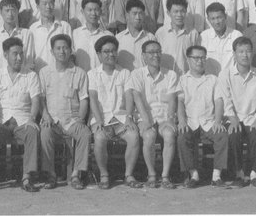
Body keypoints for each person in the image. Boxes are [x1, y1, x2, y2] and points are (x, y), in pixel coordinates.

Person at [0, 37, 41, 193]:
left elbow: (36, 101)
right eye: (15, 54)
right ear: (6, 55)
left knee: (33, 131)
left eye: (21, 54)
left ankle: (26, 178)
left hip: (23, 120)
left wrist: (32, 119)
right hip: (3, 120)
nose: (19, 58)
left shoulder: (31, 75)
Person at [38, 34, 92, 189]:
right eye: (58, 48)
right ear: (52, 51)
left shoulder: (79, 73)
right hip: (52, 119)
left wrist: (80, 118)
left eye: (65, 48)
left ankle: (76, 174)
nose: (62, 51)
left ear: (70, 50)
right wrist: (45, 115)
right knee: (45, 133)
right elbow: (41, 98)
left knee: (85, 134)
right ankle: (51, 175)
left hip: (72, 120)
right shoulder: (44, 72)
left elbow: (84, 99)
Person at [88, 36, 142, 189]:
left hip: (121, 118)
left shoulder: (124, 72)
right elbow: (93, 98)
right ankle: (104, 175)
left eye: (113, 51)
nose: (111, 54)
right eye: (106, 51)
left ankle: (128, 175)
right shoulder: (92, 74)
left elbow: (129, 96)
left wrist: (129, 117)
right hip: (102, 119)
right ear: (99, 54)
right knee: (99, 138)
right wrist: (99, 120)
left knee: (133, 136)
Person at [176, 45, 230, 188]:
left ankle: (216, 176)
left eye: (202, 58)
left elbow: (219, 101)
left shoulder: (213, 79)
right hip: (190, 122)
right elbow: (180, 102)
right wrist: (182, 121)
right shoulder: (182, 80)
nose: (199, 61)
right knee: (182, 137)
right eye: (196, 58)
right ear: (188, 60)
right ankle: (193, 175)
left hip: (209, 122)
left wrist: (218, 121)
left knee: (222, 135)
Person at [128, 40, 179, 189]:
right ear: (143, 56)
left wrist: (170, 119)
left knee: (169, 134)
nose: (155, 55)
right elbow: (137, 97)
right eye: (151, 52)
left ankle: (165, 176)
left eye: (158, 52)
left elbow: (172, 99)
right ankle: (151, 174)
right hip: (145, 116)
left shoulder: (171, 74)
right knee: (149, 136)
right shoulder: (137, 74)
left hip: (164, 116)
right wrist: (146, 120)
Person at [221, 37, 256, 187]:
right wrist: (233, 120)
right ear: (234, 54)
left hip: (253, 117)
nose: (245, 55)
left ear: (252, 53)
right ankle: (238, 173)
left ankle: (254, 173)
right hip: (233, 117)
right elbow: (226, 100)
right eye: (241, 52)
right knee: (233, 135)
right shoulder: (225, 74)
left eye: (248, 51)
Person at [155, 0, 200, 74]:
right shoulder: (160, 33)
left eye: (182, 11)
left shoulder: (193, 33)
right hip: (165, 77)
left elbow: (197, 57)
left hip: (185, 77)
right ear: (168, 13)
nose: (179, 15)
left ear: (186, 12)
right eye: (175, 11)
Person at [30, 0, 73, 71]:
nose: (48, 7)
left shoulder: (64, 26)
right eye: (45, 4)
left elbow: (71, 51)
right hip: (39, 72)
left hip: (62, 72)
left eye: (51, 3)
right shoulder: (33, 28)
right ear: (37, 7)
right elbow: (31, 54)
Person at [72, 0, 113, 71]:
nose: (93, 13)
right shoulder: (75, 34)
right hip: (81, 76)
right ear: (82, 11)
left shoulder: (108, 35)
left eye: (96, 10)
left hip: (101, 76)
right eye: (90, 10)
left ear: (100, 12)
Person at [201, 2, 243, 75]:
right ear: (208, 19)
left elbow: (241, 61)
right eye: (213, 19)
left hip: (231, 78)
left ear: (225, 16)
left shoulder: (236, 35)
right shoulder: (204, 36)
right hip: (210, 79)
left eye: (219, 17)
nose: (216, 22)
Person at [115, 0, 157, 71]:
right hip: (124, 77)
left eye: (140, 13)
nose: (138, 17)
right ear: (127, 15)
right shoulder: (118, 39)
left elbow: (154, 63)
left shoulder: (150, 38)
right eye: (134, 14)